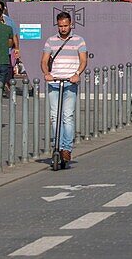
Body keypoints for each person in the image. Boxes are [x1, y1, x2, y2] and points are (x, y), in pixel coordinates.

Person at [40, 12, 87, 166]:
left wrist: (77, 74)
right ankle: (57, 147)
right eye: (60, 26)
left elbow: (83, 60)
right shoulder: (51, 41)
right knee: (55, 116)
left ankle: (66, 149)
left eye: (66, 25)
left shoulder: (79, 40)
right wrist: (46, 73)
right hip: (54, 82)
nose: (63, 28)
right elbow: (44, 60)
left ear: (71, 24)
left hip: (70, 82)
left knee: (67, 116)